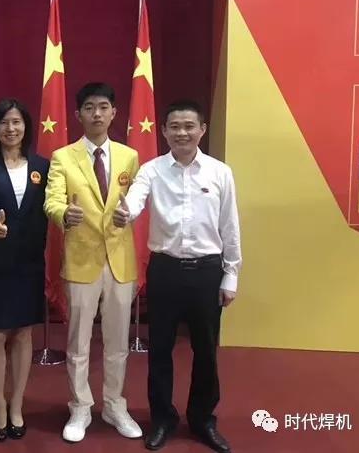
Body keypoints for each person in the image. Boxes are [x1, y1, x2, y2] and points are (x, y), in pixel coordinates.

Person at [114, 99, 241, 452]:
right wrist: (125, 213)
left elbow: (230, 227)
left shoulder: (220, 172)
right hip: (165, 270)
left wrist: (231, 275)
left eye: (189, 126)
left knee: (206, 351)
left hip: (207, 271)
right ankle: (162, 419)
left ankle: (202, 419)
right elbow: (135, 200)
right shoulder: (152, 170)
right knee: (159, 349)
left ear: (202, 129)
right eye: (174, 126)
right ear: (164, 131)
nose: (182, 133)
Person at [44, 82, 143, 443]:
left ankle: (115, 405)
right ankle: (80, 407)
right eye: (89, 107)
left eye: (103, 107)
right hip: (81, 258)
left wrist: (130, 214)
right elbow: (52, 200)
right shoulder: (63, 157)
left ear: (114, 113)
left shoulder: (130, 157)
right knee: (78, 342)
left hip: (119, 260)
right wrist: (62, 214)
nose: (97, 114)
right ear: (78, 114)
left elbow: (137, 199)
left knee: (117, 341)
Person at [0, 98, 49, 441]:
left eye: (16, 122)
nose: (11, 128)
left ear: (26, 126)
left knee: (23, 334)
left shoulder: (42, 166)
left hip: (29, 261)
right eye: (4, 122)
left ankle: (17, 404)